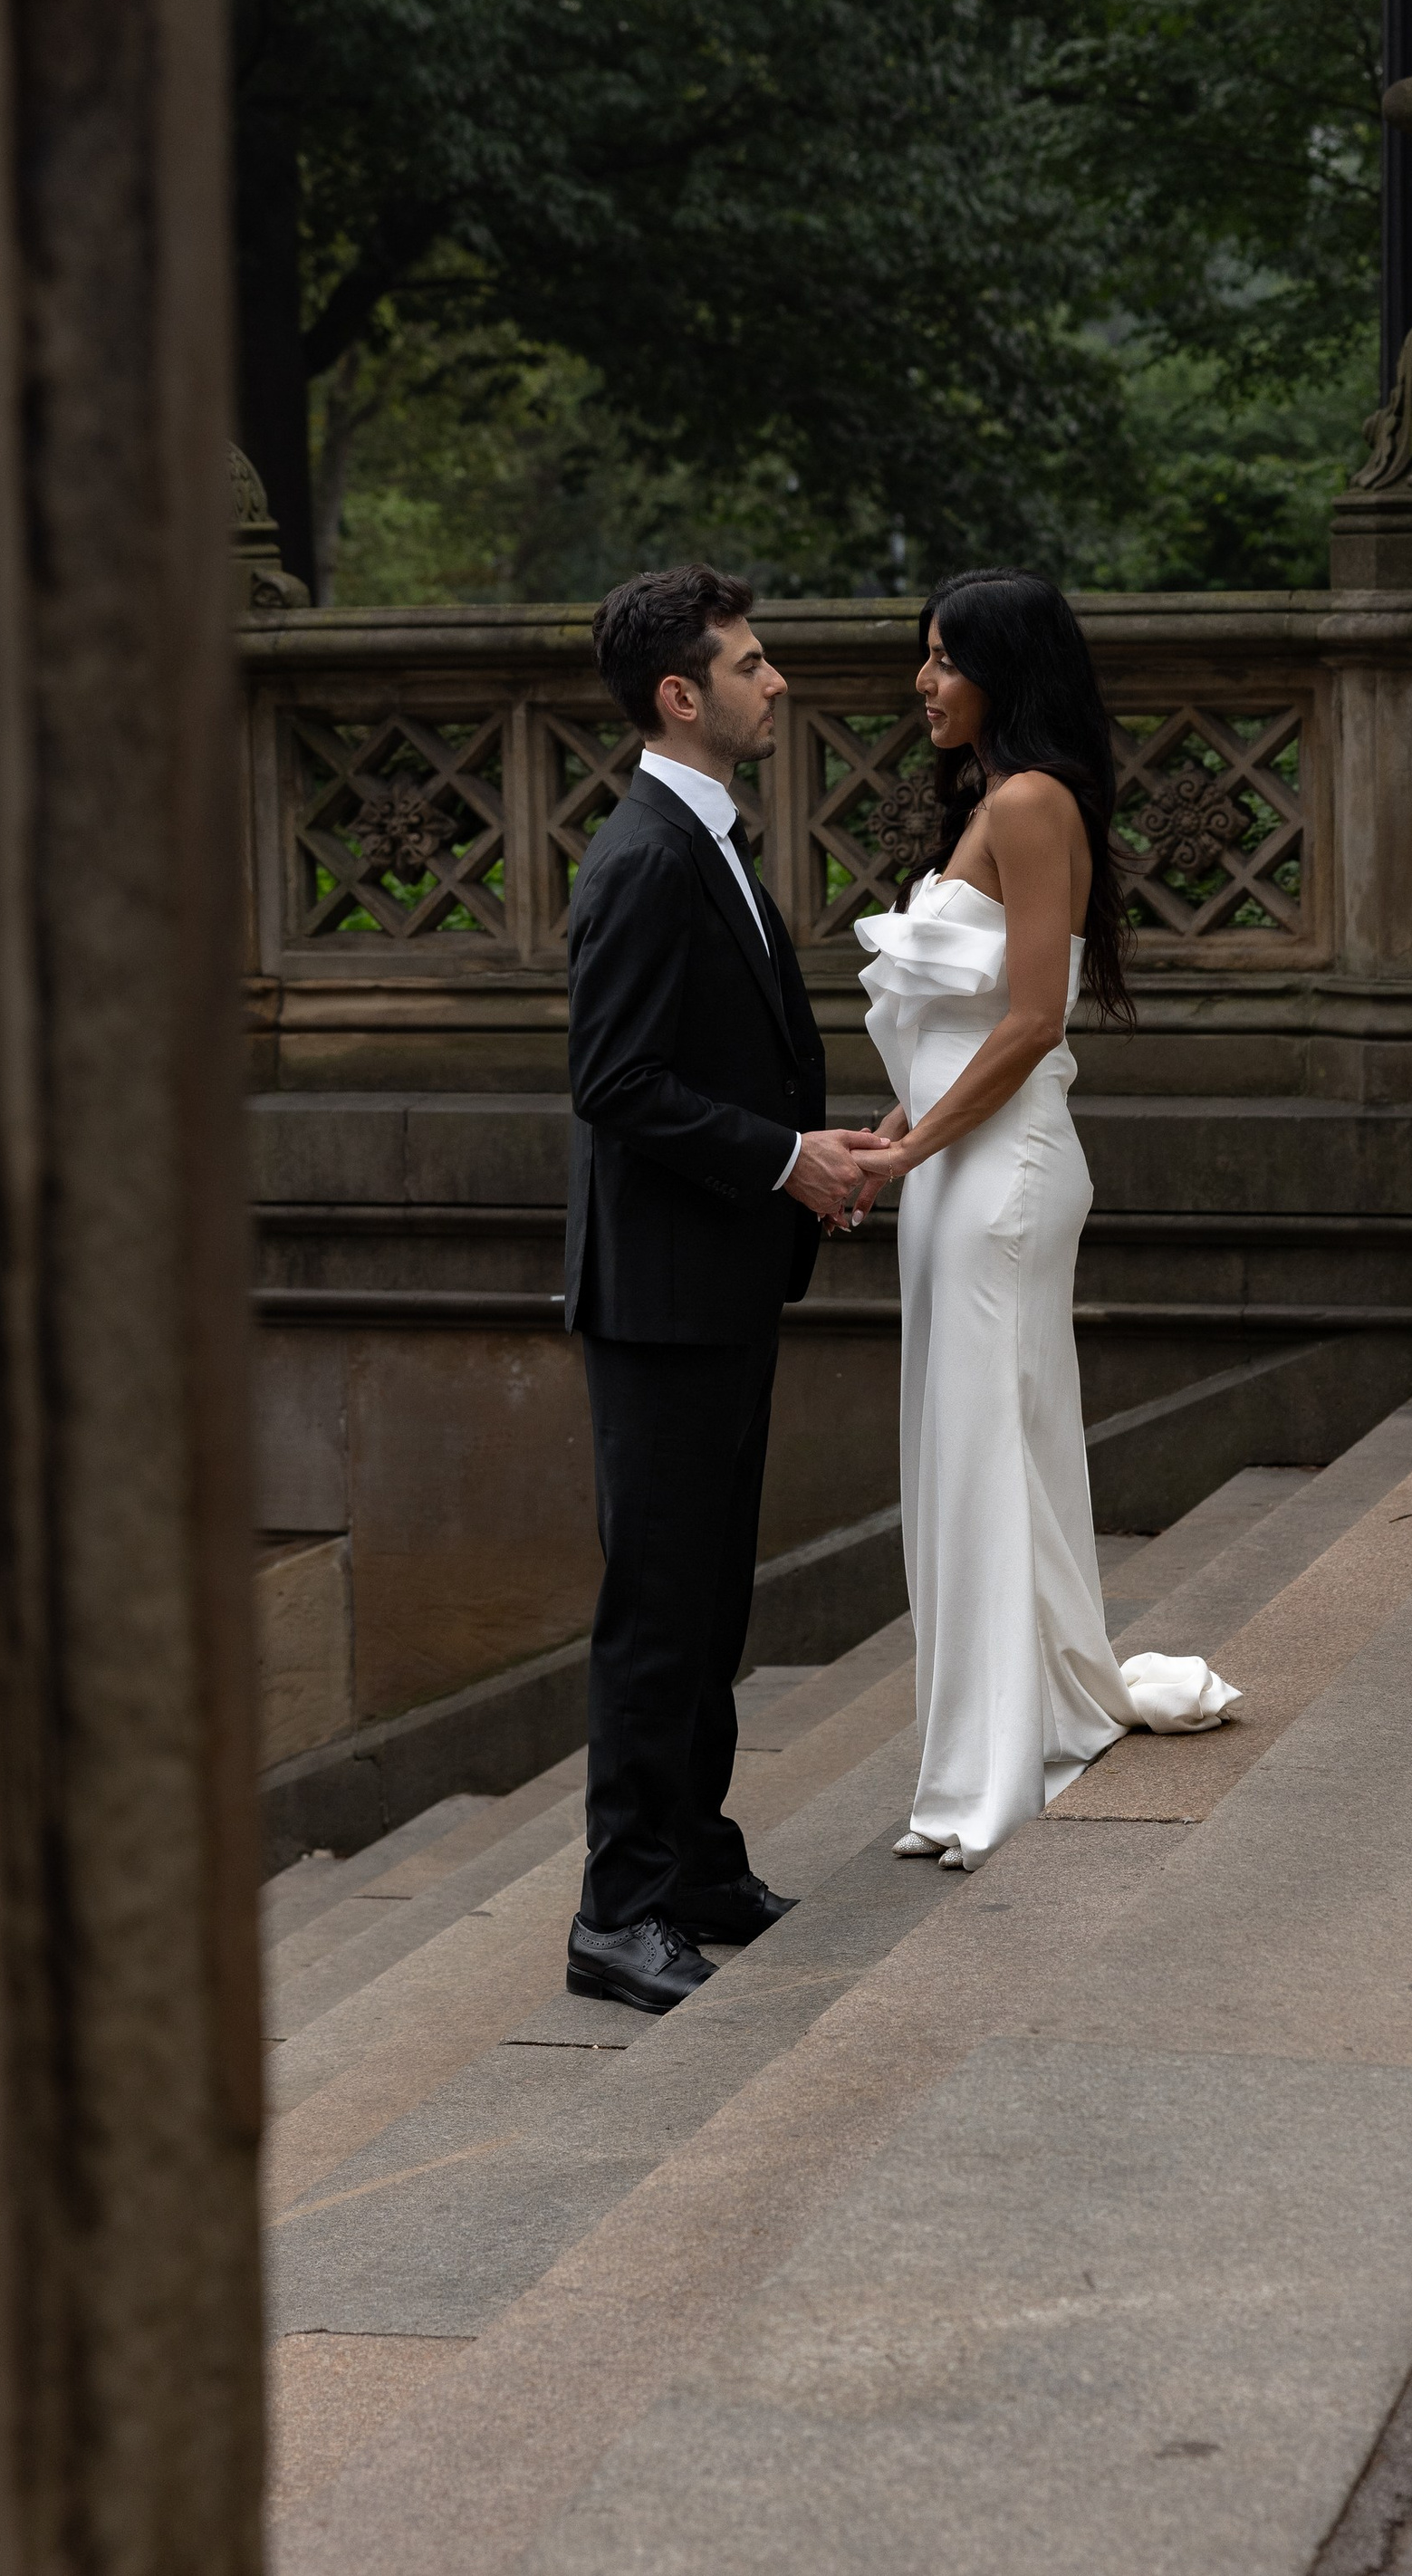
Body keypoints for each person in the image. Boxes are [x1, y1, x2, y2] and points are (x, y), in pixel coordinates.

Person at [851, 571, 1237, 1867]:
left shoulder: (1026, 802)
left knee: (982, 1456)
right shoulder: (1003, 800)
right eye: (925, 658)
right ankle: (1022, 1726)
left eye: (946, 659)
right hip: (966, 1166)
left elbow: (1031, 1022)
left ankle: (986, 1773)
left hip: (1000, 1175)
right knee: (977, 1449)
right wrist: (902, 1133)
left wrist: (914, 1150)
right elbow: (975, 1024)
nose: (925, 681)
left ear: (1005, 674)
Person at [562, 566, 875, 2012]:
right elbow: (615, 1084)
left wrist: (812, 1152)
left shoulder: (710, 841)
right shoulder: (641, 855)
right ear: (681, 695)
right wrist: (784, 1160)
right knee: (656, 1610)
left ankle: (695, 1860)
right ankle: (617, 1914)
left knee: (709, 1602)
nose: (777, 682)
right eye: (752, 664)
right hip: (661, 1301)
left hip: (721, 1283)